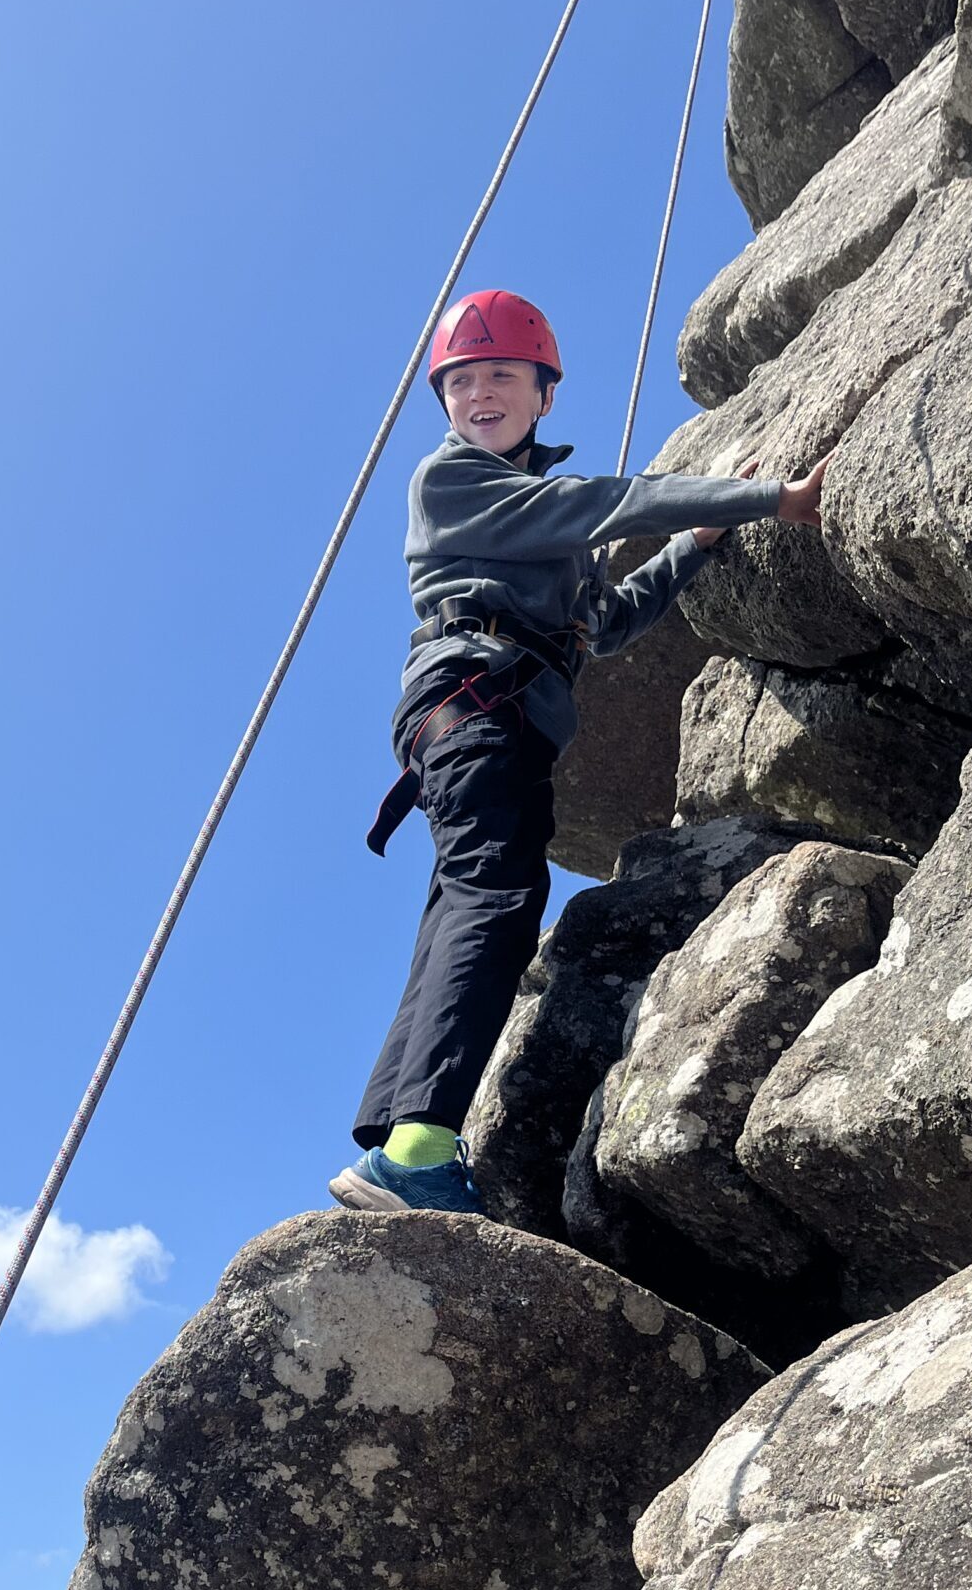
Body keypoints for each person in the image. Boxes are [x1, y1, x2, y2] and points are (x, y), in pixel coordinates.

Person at [330, 288, 828, 1216]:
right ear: (444, 399)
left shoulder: (532, 526)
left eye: (503, 377)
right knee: (497, 900)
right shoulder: (451, 482)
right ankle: (420, 1149)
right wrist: (764, 497)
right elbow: (598, 501)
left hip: (481, 714)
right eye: (464, 380)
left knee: (459, 910)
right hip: (477, 708)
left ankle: (395, 1141)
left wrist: (697, 542)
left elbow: (606, 621)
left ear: (542, 393)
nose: (482, 394)